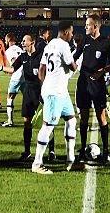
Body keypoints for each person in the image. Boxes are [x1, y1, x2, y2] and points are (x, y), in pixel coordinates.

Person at [31, 21, 80, 175]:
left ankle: (70, 160)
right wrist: (77, 61)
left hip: (59, 91)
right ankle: (37, 163)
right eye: (71, 32)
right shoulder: (63, 45)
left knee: (71, 120)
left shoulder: (50, 44)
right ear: (65, 32)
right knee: (48, 126)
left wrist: (43, 88)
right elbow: (72, 66)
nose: (72, 35)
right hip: (55, 92)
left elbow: (41, 70)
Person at [73, 15, 110, 164]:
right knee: (83, 118)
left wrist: (102, 71)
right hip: (83, 84)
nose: (85, 27)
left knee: (101, 117)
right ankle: (83, 149)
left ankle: (106, 152)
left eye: (88, 25)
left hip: (98, 85)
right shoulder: (84, 41)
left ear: (96, 26)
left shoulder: (106, 43)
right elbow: (74, 58)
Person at [1, 33, 25, 127]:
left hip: (16, 76)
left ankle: (10, 121)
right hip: (24, 75)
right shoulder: (20, 49)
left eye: (6, 40)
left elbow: (15, 61)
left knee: (10, 98)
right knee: (28, 97)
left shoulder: (9, 50)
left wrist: (8, 70)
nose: (5, 42)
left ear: (9, 40)